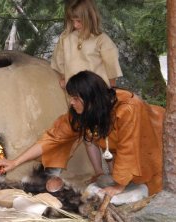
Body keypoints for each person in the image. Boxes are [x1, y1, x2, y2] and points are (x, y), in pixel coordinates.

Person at [0, 71, 164, 197]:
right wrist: (15, 162)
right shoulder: (85, 111)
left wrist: (118, 187)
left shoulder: (128, 109)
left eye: (75, 98)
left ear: (91, 99)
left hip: (155, 143)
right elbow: (53, 137)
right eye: (70, 98)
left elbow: (130, 148)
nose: (71, 103)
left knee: (150, 182)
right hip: (132, 151)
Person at [51, 0, 123, 179]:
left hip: (98, 95)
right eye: (72, 21)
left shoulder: (101, 39)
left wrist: (111, 90)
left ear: (90, 18)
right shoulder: (66, 38)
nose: (75, 25)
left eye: (79, 21)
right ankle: (99, 172)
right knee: (88, 136)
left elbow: (111, 65)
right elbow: (59, 60)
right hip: (78, 97)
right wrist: (63, 77)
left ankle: (115, 172)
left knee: (105, 134)